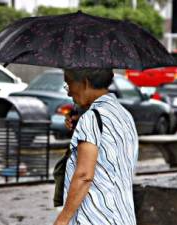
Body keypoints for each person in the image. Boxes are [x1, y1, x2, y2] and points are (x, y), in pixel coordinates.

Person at [54, 69, 139, 225]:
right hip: (123, 217)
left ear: (85, 82)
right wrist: (79, 128)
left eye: (69, 83)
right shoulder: (125, 116)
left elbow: (84, 175)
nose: (68, 93)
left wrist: (62, 220)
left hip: (94, 219)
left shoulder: (92, 119)